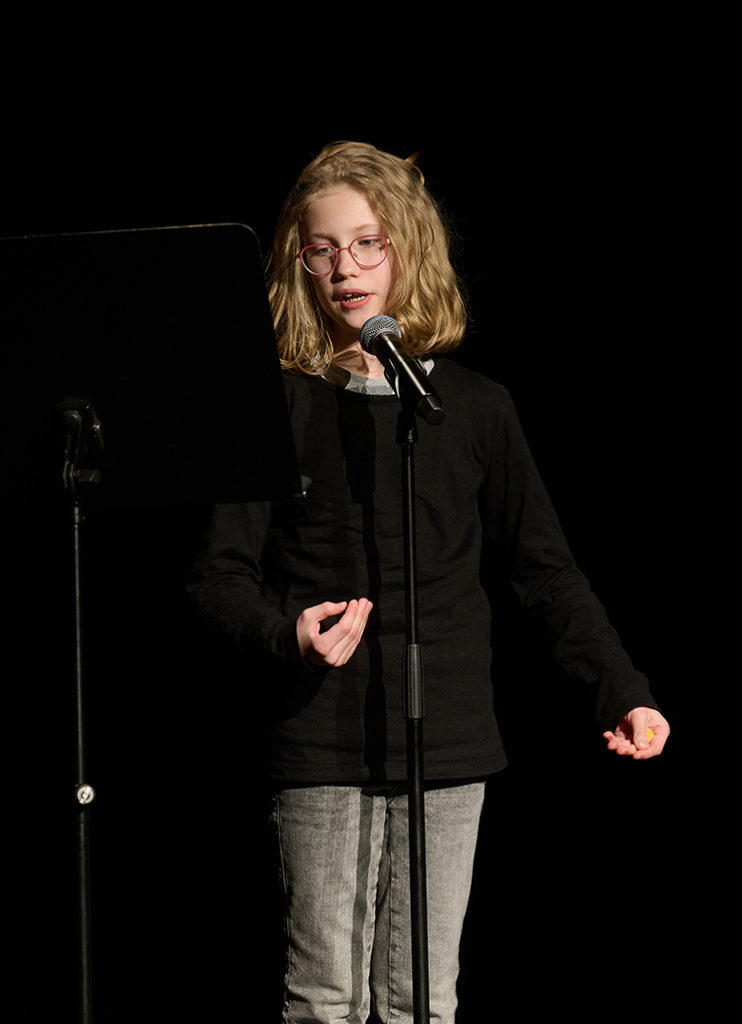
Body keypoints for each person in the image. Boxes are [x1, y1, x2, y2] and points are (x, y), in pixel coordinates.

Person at [187, 141, 670, 1024]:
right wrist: (287, 632)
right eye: (321, 249)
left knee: (423, 999)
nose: (345, 269)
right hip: (319, 731)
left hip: (445, 737)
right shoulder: (277, 404)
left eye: (368, 244)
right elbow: (219, 577)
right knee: (324, 996)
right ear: (299, 263)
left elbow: (545, 570)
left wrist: (622, 690)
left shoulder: (473, 408)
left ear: (407, 248)